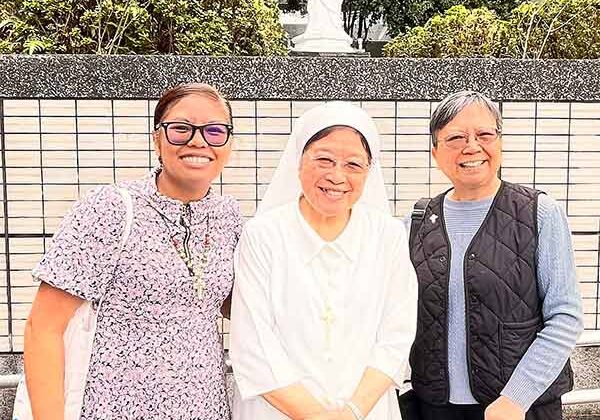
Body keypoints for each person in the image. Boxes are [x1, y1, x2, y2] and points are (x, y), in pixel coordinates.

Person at [24, 83, 242, 419]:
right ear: (157, 140)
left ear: (229, 144)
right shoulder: (110, 208)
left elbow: (241, 307)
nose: (198, 141)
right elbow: (44, 327)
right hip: (114, 406)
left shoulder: (229, 217)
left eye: (215, 131)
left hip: (204, 406)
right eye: (181, 129)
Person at [229, 101, 417, 420]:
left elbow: (396, 335)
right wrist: (316, 416)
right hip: (275, 412)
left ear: (369, 172)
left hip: (366, 411)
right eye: (324, 160)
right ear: (299, 162)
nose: (337, 176)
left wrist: (353, 411)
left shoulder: (388, 236)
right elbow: (253, 343)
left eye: (353, 165)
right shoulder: (262, 235)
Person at [406, 90, 584, 420]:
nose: (471, 146)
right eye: (455, 137)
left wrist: (515, 399)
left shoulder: (539, 213)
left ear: (499, 143)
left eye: (484, 134)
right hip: (434, 408)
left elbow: (566, 317)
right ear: (435, 152)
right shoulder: (416, 222)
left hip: (519, 410)